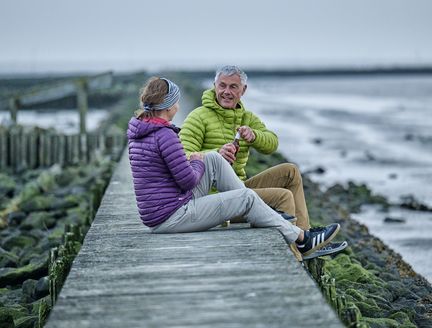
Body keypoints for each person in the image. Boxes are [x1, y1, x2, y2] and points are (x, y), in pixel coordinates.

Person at [127, 76, 341, 259]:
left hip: (166, 209)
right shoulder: (165, 135)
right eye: (177, 102)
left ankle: (262, 212)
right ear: (170, 105)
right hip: (171, 216)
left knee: (213, 158)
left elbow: (271, 143)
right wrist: (196, 161)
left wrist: (206, 157)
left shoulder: (142, 131)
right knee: (245, 197)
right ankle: (302, 239)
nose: (179, 106)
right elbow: (188, 181)